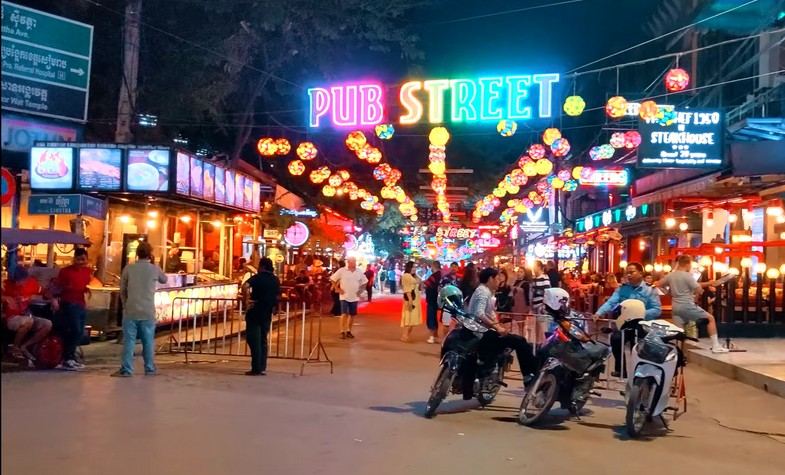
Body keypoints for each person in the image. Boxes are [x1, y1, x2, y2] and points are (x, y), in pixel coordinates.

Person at [467, 268, 538, 385]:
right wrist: (498, 328)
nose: (499, 281)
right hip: (481, 333)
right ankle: (528, 376)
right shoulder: (483, 292)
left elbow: (490, 313)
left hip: (480, 331)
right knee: (520, 341)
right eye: (497, 278)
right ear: (490, 279)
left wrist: (498, 325)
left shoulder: (485, 291)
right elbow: (479, 313)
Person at [594, 262, 662, 377]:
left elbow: (656, 309)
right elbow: (611, 302)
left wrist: (639, 314)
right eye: (627, 273)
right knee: (616, 339)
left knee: (637, 348)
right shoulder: (622, 289)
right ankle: (620, 370)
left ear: (641, 273)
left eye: (632, 272)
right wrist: (599, 313)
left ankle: (640, 374)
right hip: (625, 324)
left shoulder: (650, 290)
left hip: (642, 325)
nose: (629, 275)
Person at [112, 241, 168, 377]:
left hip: (131, 310)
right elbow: (164, 280)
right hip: (148, 310)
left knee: (129, 341)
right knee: (148, 341)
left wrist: (125, 305)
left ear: (137, 253)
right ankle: (149, 368)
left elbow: (122, 290)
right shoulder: (154, 268)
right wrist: (156, 265)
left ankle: (126, 369)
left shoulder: (128, 268)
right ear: (150, 254)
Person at [657, 255, 729, 353]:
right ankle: (716, 346)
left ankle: (677, 353)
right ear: (687, 264)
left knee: (679, 331)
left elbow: (658, 284)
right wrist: (706, 288)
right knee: (710, 318)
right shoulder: (687, 276)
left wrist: (668, 292)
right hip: (687, 305)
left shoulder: (671, 275)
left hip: (675, 306)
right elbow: (699, 290)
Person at [52, 248, 93, 371]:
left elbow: (83, 285)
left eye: (83, 259)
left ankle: (70, 356)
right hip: (69, 303)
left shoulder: (87, 271)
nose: (81, 262)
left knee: (80, 332)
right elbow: (57, 287)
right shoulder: (65, 272)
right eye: (78, 259)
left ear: (86, 259)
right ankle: (67, 357)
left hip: (81, 304)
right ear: (74, 259)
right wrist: (54, 299)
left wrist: (86, 289)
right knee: (74, 330)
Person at [2, 267, 53, 363]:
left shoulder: (31, 283)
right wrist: (6, 298)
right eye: (16, 281)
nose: (18, 283)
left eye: (20, 280)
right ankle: (15, 348)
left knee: (47, 324)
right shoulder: (7, 284)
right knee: (28, 321)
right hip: (12, 317)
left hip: (27, 315)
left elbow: (44, 292)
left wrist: (52, 299)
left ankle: (25, 346)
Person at [243, 257, 280, 375]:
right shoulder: (275, 279)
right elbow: (277, 296)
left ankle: (256, 367)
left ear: (262, 267)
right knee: (263, 339)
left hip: (255, 309)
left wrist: (246, 300)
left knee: (253, 339)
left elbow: (245, 286)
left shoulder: (258, 277)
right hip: (267, 312)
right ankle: (262, 366)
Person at [331, 257, 368, 339]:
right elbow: (333, 279)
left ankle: (348, 330)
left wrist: (360, 291)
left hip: (354, 297)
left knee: (352, 315)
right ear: (348, 262)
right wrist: (338, 289)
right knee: (344, 314)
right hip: (344, 296)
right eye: (352, 262)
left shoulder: (359, 271)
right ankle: (342, 331)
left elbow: (365, 282)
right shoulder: (342, 270)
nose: (354, 264)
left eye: (355, 262)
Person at [400, 261, 422, 342]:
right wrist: (410, 300)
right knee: (409, 319)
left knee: (412, 319)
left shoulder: (412, 276)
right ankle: (404, 335)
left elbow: (420, 281)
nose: (414, 269)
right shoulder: (406, 276)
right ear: (408, 267)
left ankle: (406, 335)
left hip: (415, 299)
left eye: (415, 267)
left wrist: (415, 275)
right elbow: (407, 289)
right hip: (411, 298)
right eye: (413, 267)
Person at [423, 260, 442, 343]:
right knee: (433, 317)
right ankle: (435, 335)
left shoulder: (435, 276)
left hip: (432, 299)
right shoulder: (441, 275)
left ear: (434, 266)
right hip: (437, 299)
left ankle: (432, 336)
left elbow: (426, 284)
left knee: (431, 317)